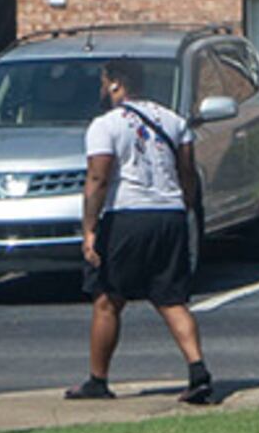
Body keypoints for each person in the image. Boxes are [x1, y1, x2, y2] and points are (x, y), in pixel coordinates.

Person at [73, 59, 214, 404]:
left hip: (127, 216)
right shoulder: (173, 120)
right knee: (172, 300)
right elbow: (188, 173)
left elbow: (98, 178)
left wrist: (89, 228)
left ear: (116, 83)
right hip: (169, 214)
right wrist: (185, 209)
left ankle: (97, 380)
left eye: (104, 82)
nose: (102, 89)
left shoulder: (105, 125)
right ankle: (198, 371)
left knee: (107, 299)